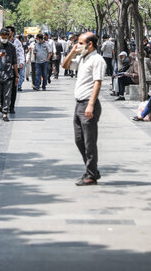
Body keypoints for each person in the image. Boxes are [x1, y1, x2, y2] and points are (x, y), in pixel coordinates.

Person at [62, 32, 106, 186]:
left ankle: (91, 175)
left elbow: (98, 83)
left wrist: (91, 105)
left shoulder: (97, 60)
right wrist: (73, 52)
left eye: (80, 43)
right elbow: (65, 65)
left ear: (90, 44)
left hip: (88, 104)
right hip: (79, 104)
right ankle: (92, 169)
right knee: (79, 140)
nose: (78, 45)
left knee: (89, 142)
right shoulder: (82, 58)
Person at [0, 28, 18, 122]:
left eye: (6, 36)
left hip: (9, 74)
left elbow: (14, 62)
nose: (4, 38)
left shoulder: (12, 47)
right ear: (0, 35)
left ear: (8, 36)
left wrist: (17, 76)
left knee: (7, 95)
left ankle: (5, 113)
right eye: (3, 36)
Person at [6, 26, 25, 113]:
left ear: (12, 33)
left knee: (14, 88)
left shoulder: (17, 42)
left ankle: (12, 106)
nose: (7, 33)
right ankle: (3, 105)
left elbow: (21, 53)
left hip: (15, 68)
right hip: (4, 68)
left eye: (9, 32)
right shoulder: (1, 42)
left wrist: (21, 62)